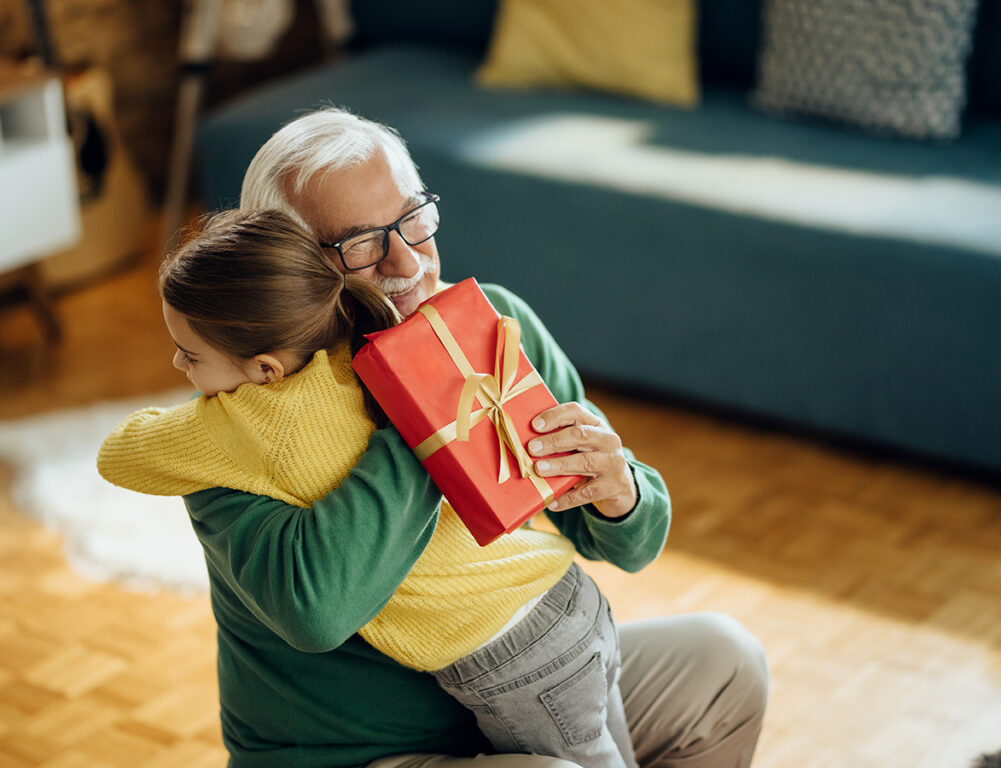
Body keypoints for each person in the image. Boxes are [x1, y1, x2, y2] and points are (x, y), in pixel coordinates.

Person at [179, 106, 769, 768]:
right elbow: (315, 614)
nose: (406, 260)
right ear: (291, 266)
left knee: (725, 663)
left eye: (411, 220)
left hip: (520, 691)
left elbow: (630, 543)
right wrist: (424, 406)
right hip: (357, 755)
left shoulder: (495, 325)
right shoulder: (235, 419)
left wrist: (620, 492)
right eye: (362, 243)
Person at [98, 208, 639, 768]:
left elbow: (117, 454)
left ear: (264, 370)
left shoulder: (242, 424)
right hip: (565, 593)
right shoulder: (376, 360)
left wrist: (206, 409)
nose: (176, 363)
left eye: (189, 355)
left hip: (517, 660)